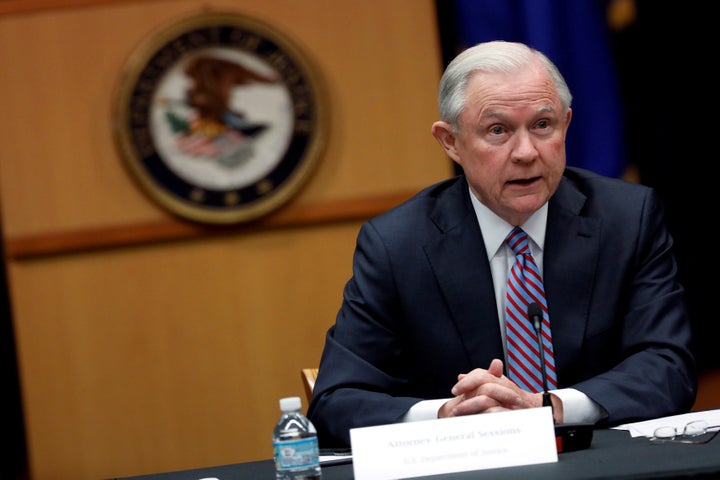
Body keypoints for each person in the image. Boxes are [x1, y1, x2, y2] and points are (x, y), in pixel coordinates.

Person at [306, 40, 696, 448]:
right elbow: (336, 400)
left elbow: (668, 366)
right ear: (450, 142)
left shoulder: (626, 219)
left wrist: (549, 408)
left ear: (566, 124)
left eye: (543, 125)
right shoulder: (397, 245)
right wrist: (447, 414)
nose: (526, 152)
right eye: (498, 130)